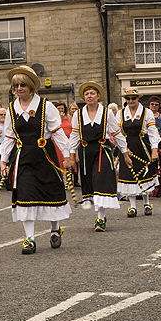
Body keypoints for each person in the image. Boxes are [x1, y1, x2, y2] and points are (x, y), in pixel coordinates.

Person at [0, 65, 70, 254]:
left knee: (50, 193)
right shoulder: (11, 109)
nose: (19, 88)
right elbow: (8, 136)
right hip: (23, 158)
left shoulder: (46, 106)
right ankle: (29, 239)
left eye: (23, 84)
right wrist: (3, 160)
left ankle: (55, 229)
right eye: (16, 85)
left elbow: (58, 133)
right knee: (25, 195)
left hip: (45, 156)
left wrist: (67, 156)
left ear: (31, 86)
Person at [68, 82, 132, 232]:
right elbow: (74, 136)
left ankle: (100, 218)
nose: (89, 96)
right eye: (87, 94)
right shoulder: (78, 114)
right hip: (85, 152)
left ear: (98, 96)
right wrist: (71, 158)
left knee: (100, 182)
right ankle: (97, 212)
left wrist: (125, 154)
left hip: (103, 150)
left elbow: (117, 134)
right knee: (90, 183)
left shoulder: (107, 113)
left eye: (92, 93)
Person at [117, 88, 160, 217]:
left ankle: (146, 203)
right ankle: (132, 207)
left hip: (142, 146)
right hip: (127, 146)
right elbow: (117, 133)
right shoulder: (120, 113)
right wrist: (124, 148)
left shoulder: (147, 113)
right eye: (128, 98)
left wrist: (154, 149)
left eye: (133, 98)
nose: (131, 101)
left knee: (144, 174)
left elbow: (153, 131)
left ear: (138, 99)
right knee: (130, 175)